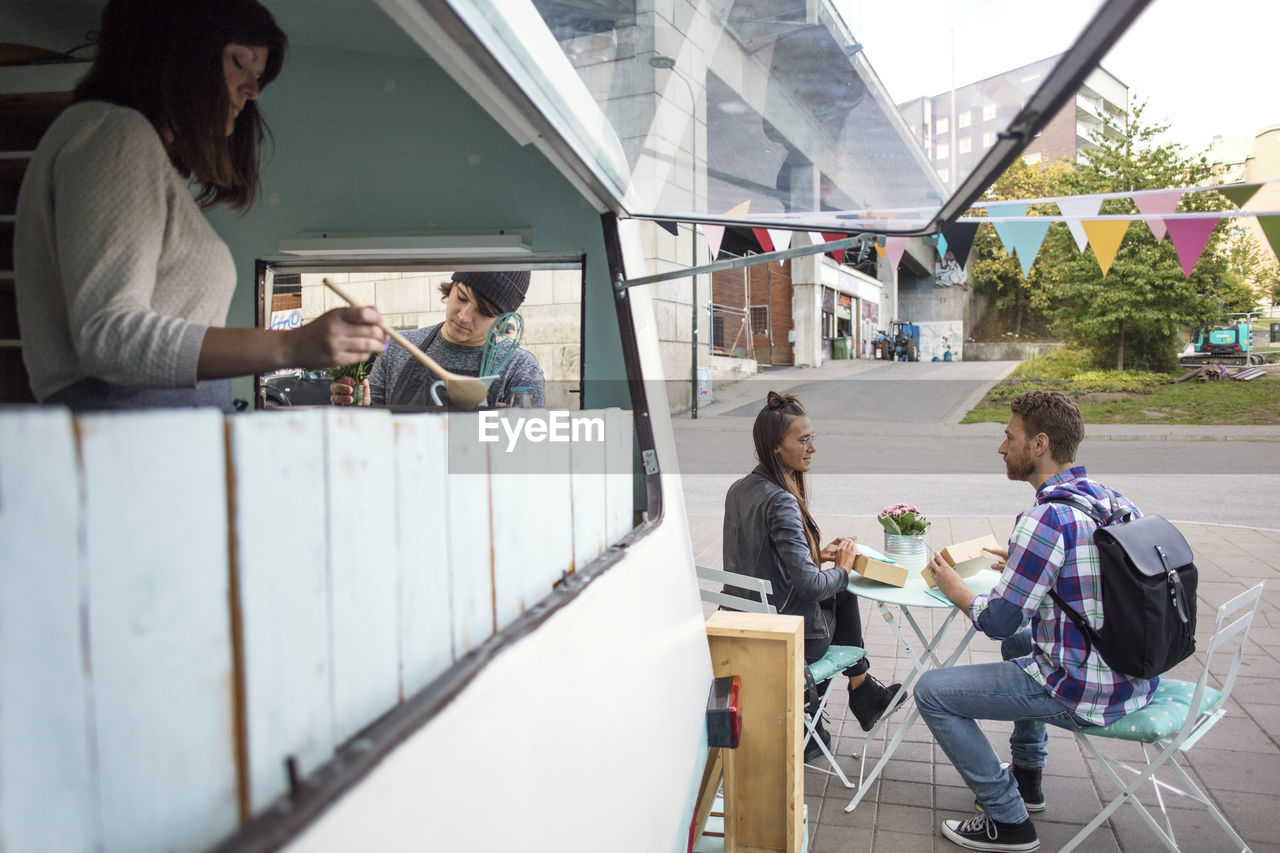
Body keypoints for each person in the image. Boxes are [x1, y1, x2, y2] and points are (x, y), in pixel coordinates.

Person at [13, 0, 385, 413]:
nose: (253, 90)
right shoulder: (115, 135)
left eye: (258, 75)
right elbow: (110, 336)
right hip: (132, 441)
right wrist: (290, 344)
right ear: (175, 52)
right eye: (238, 63)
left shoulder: (118, 140)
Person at [917, 390, 1156, 852]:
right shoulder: (1111, 500)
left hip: (1084, 690)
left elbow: (1001, 620)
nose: (1002, 448)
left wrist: (958, 590)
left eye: (1010, 437)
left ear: (1040, 443)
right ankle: (1028, 778)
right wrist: (1029, 564)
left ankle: (1008, 820)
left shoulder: (1044, 519)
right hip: (1133, 675)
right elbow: (1095, 580)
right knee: (1022, 645)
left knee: (932, 691)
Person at [722, 391, 905, 761]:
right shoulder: (782, 499)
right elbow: (809, 585)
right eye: (803, 440)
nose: (812, 448)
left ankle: (842, 704)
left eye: (812, 438)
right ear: (776, 447)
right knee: (844, 587)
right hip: (788, 637)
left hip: (745, 625)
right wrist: (843, 568)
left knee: (838, 587)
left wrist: (814, 554)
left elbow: (758, 557)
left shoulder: (740, 489)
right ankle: (855, 694)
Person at [330, 271, 545, 409]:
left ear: (502, 321)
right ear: (450, 290)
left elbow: (528, 456)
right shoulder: (399, 348)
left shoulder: (519, 368)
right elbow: (369, 430)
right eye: (461, 298)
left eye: (483, 311)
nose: (463, 316)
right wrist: (357, 404)